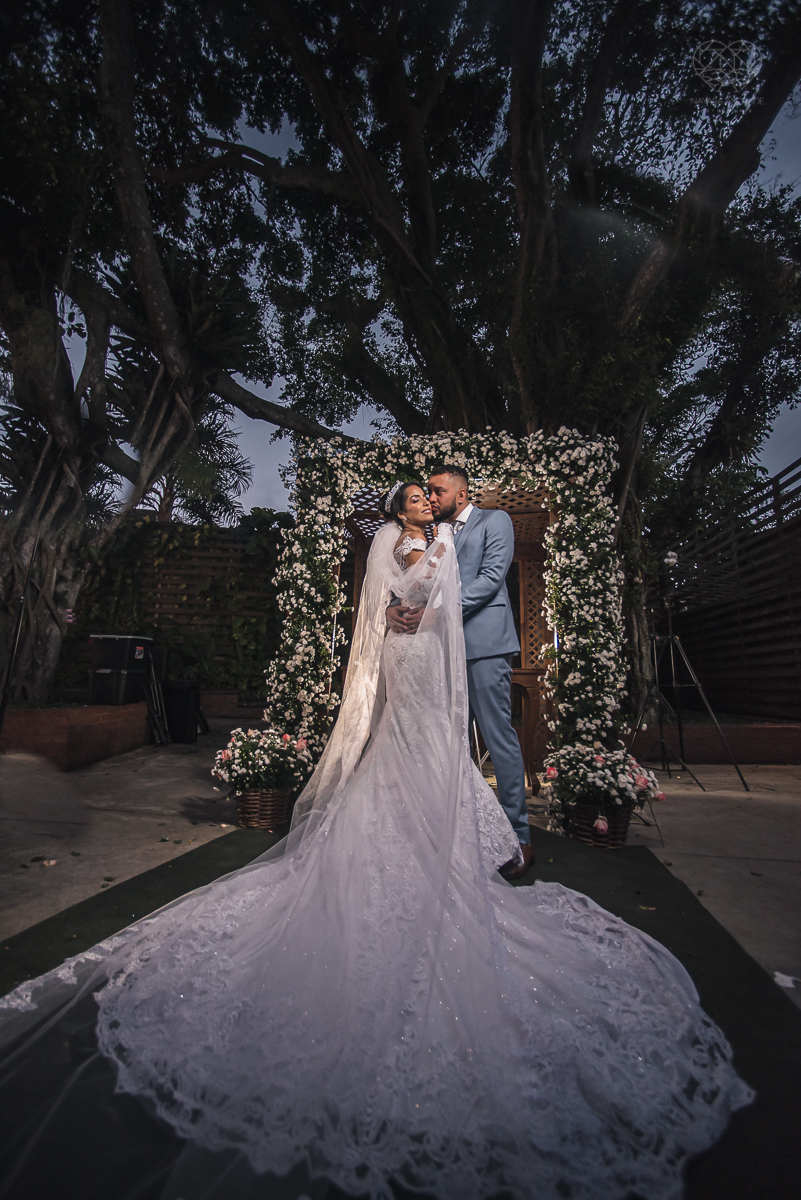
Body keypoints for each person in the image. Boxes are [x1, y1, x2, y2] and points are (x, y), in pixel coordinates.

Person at [0, 482, 753, 1200]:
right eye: (414, 497)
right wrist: (417, 571)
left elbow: (449, 599)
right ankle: (395, 830)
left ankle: (446, 831)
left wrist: (435, 571)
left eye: (428, 495)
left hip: (435, 653)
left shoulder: (445, 535)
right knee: (405, 740)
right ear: (398, 508)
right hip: (405, 652)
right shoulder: (396, 539)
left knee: (437, 747)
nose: (423, 502)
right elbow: (396, 597)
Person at [387, 466, 532, 878]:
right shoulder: (433, 535)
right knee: (448, 742)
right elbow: (410, 583)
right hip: (438, 651)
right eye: (426, 493)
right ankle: (464, 833)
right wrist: (391, 608)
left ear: (462, 494)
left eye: (437, 490)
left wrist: (436, 613)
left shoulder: (494, 520)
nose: (430, 497)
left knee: (496, 734)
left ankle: (519, 836)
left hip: (484, 645)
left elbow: (489, 579)